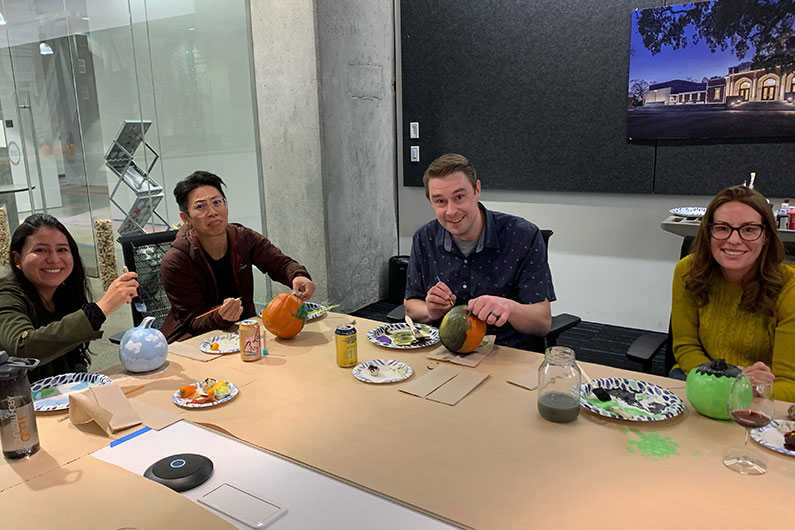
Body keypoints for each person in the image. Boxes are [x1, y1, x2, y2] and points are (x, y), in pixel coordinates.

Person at [404, 153, 555, 348]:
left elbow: (542, 323)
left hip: (507, 351)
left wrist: (509, 307)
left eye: (459, 197)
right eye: (440, 201)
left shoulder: (523, 235)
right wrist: (430, 311)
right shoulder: (425, 238)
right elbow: (410, 305)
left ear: (477, 190)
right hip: (445, 350)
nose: (451, 211)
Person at [671, 185, 795, 402]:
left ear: (766, 236)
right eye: (722, 228)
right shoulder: (688, 271)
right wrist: (726, 380)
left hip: (760, 394)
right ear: (708, 232)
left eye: (749, 229)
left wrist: (746, 387)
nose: (734, 240)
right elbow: (686, 347)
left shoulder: (790, 288)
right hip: (698, 377)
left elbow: (789, 383)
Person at [160, 171, 316, 342]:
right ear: (185, 218)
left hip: (243, 334)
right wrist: (219, 316)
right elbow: (192, 322)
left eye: (217, 202)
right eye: (200, 206)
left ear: (225, 206)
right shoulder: (176, 261)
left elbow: (279, 263)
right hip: (192, 343)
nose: (212, 211)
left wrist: (297, 275)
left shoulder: (243, 238)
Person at [0, 214, 139, 382]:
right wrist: (100, 308)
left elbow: (73, 355)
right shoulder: (6, 295)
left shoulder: (64, 293)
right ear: (17, 259)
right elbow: (24, 348)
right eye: (40, 250)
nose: (53, 259)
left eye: (62, 250)